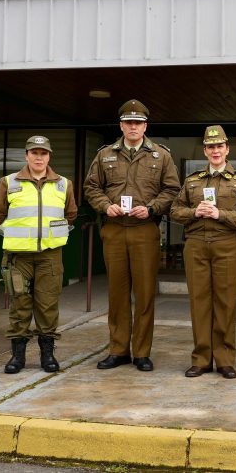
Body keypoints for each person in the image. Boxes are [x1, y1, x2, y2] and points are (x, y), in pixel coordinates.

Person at [84, 99, 180, 372]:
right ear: (121, 126)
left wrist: (151, 208)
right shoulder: (105, 155)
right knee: (117, 294)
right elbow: (91, 187)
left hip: (144, 230)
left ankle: (141, 352)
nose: (133, 127)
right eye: (128, 122)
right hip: (114, 230)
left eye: (138, 123)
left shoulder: (161, 155)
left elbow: (172, 189)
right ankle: (118, 350)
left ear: (145, 126)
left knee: (145, 293)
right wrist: (105, 206)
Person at [170, 125, 236, 379]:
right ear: (205, 151)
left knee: (226, 303)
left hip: (227, 244)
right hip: (196, 244)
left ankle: (225, 359)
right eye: (210, 147)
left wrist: (220, 214)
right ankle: (201, 359)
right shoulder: (192, 180)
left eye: (219, 146)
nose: (215, 151)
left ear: (227, 149)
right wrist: (194, 212)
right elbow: (175, 210)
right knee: (199, 302)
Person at [0, 135, 78, 374]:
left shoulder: (63, 184)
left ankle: (47, 356)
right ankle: (17, 357)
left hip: (50, 255)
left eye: (43, 153)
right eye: (34, 153)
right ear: (26, 155)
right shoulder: (8, 182)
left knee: (48, 305)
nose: (39, 157)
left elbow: (71, 214)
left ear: (49, 156)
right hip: (18, 256)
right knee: (20, 305)